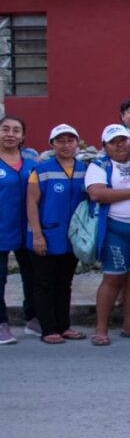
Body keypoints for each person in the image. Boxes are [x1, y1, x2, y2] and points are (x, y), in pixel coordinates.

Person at [85, 124, 130, 346]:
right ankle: (101, 329)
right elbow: (96, 193)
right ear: (105, 146)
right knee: (113, 278)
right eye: (114, 142)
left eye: (124, 140)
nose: (120, 145)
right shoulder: (101, 165)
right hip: (118, 230)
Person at [24, 124, 86, 344]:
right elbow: (31, 203)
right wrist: (37, 235)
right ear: (52, 144)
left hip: (71, 238)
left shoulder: (85, 169)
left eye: (70, 140)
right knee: (44, 284)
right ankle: (48, 329)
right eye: (60, 141)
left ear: (77, 143)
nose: (66, 145)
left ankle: (64, 326)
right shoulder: (41, 170)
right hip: (45, 236)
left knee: (64, 283)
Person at [0, 116, 39, 343]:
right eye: (5, 129)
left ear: (23, 136)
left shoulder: (32, 159)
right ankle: (1, 324)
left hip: (28, 228)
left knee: (33, 276)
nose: (10, 134)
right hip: (2, 228)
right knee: (0, 279)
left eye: (16, 130)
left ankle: (33, 319)